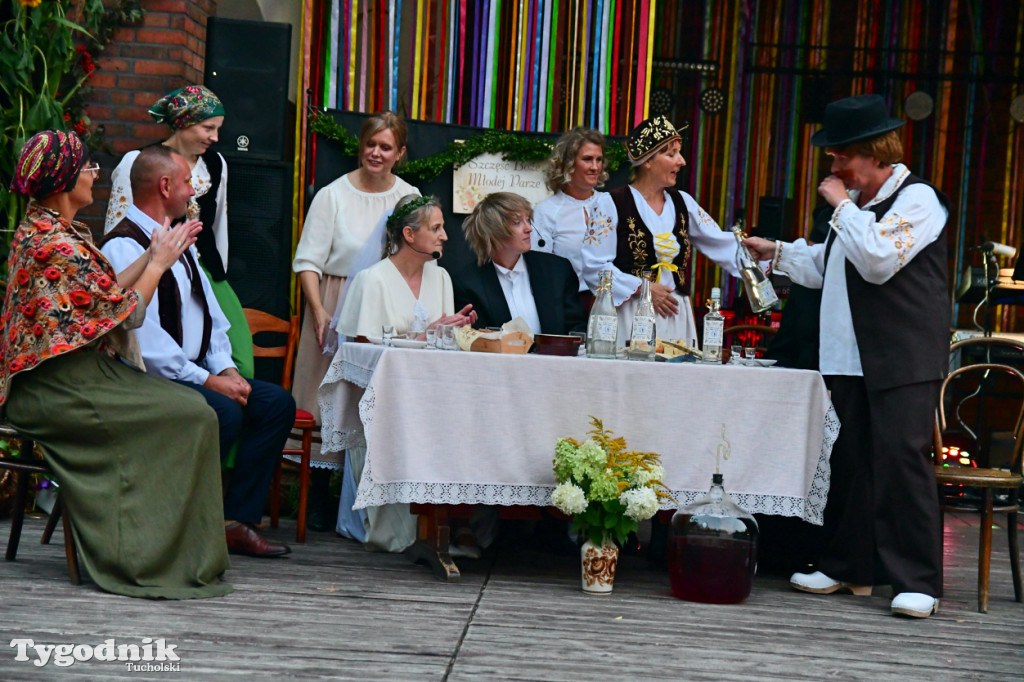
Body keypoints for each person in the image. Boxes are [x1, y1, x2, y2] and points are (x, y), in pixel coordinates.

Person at [743, 94, 950, 619]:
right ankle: (849, 567)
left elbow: (879, 259)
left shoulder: (918, 200)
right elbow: (835, 265)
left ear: (875, 152)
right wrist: (782, 253)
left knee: (902, 461)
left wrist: (841, 206)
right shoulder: (860, 211)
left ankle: (917, 579)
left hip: (901, 356)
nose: (833, 168)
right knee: (851, 462)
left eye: (841, 158)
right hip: (851, 356)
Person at [1, 130, 232, 598]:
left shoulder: (57, 231)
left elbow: (102, 300)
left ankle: (173, 546)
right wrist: (158, 264)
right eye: (87, 167)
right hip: (55, 388)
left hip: (79, 376)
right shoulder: (50, 244)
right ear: (64, 180)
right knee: (193, 415)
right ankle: (145, 552)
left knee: (195, 411)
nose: (95, 174)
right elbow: (124, 314)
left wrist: (152, 254)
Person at [101, 145, 295, 559]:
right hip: (147, 380)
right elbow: (145, 341)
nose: (193, 191)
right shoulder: (122, 247)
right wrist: (207, 381)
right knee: (220, 411)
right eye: (188, 182)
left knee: (275, 404)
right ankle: (184, 521)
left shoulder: (181, 238)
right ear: (165, 185)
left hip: (195, 374)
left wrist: (224, 369)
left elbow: (211, 315)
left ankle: (234, 521)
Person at [292, 111, 419, 526]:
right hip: (335, 299)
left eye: (386, 147)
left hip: (385, 305)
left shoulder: (409, 196)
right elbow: (308, 260)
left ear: (399, 153)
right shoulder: (332, 195)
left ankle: (367, 499)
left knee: (373, 397)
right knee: (323, 394)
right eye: (371, 144)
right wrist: (319, 310)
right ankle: (315, 499)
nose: (376, 154)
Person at [331, 194, 476, 553]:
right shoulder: (372, 280)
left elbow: (440, 343)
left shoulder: (441, 277)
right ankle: (396, 531)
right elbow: (364, 347)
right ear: (409, 235)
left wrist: (455, 330)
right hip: (384, 397)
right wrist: (426, 333)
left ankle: (442, 527)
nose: (445, 236)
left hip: (430, 394)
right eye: (436, 228)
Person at [104, 85, 253, 378]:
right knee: (163, 350)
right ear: (183, 123)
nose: (215, 137)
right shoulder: (139, 162)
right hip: (151, 266)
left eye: (218, 129)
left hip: (202, 269)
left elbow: (218, 223)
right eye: (208, 127)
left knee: (241, 360)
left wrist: (218, 271)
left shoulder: (216, 164)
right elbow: (119, 223)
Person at [580, 116, 742, 347]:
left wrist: (773, 256)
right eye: (672, 154)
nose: (682, 161)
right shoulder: (611, 203)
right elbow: (594, 266)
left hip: (675, 314)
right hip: (630, 313)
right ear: (647, 161)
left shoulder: (682, 202)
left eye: (679, 152)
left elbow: (722, 244)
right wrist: (643, 288)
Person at [452, 192, 587, 336]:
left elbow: (577, 329)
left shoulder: (557, 270)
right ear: (493, 232)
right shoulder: (468, 283)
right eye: (517, 222)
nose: (529, 228)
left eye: (528, 220)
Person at [531, 127, 608, 300]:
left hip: (613, 301)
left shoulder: (611, 203)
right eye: (587, 159)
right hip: (568, 303)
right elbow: (540, 270)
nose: (595, 167)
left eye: (599, 159)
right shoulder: (546, 211)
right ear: (567, 164)